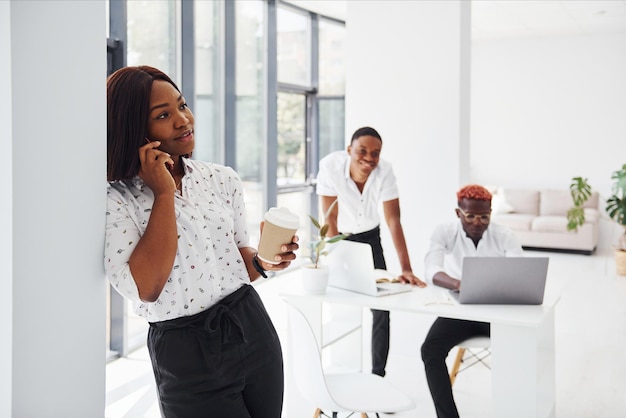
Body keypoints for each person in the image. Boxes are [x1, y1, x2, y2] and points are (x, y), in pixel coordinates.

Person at [104, 65, 299, 418]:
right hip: (184, 350)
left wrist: (264, 262)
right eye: (163, 115)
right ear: (135, 128)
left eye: (182, 105)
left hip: (250, 326)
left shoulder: (221, 179)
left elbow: (237, 260)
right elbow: (146, 287)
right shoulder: (117, 200)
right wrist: (163, 192)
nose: (183, 120)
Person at [315, 126, 426, 377]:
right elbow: (330, 220)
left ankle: (378, 375)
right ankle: (342, 373)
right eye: (362, 151)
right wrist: (337, 258)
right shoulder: (331, 166)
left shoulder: (384, 171)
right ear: (349, 150)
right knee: (343, 303)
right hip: (341, 239)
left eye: (375, 153)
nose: (369, 158)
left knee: (381, 307)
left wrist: (406, 268)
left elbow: (394, 220)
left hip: (371, 237)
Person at [421, 184, 523, 418]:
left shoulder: (504, 236)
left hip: (497, 312)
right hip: (461, 310)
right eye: (470, 216)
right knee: (430, 350)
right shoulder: (444, 232)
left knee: (519, 348)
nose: (478, 222)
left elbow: (518, 272)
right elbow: (431, 270)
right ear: (458, 213)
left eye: (484, 217)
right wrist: (459, 284)